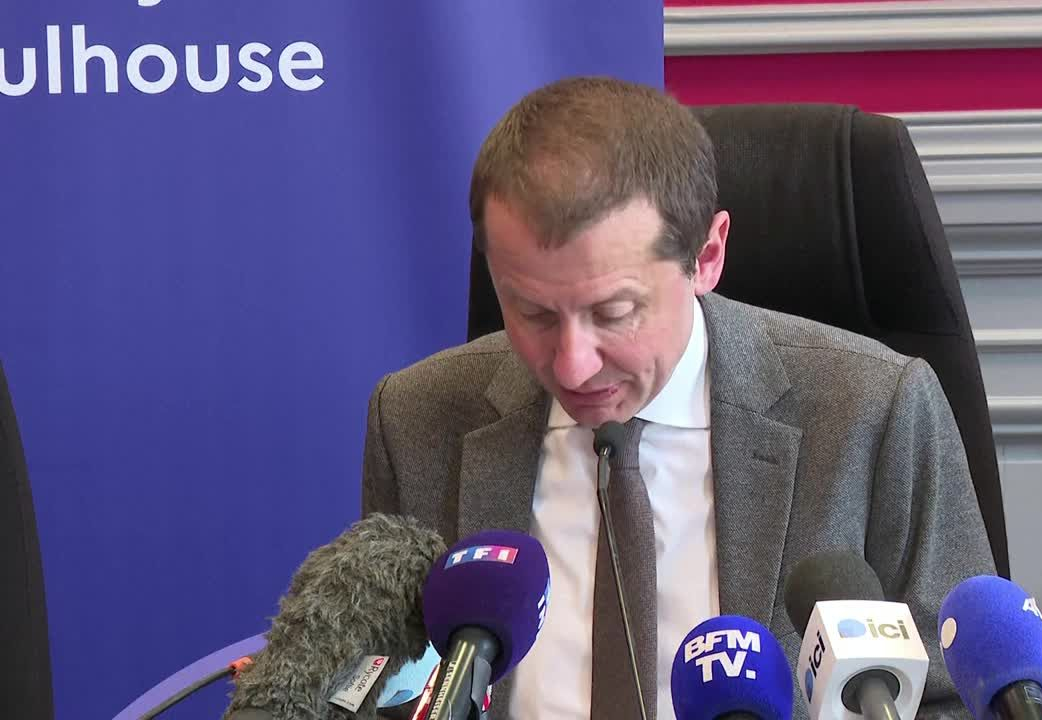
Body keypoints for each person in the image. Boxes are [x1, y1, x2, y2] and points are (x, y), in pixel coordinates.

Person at [362, 76, 995, 719]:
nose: (573, 365)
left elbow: (957, 700)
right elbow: (385, 686)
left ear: (707, 256)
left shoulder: (874, 410)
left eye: (613, 313)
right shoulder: (416, 422)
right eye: (533, 313)